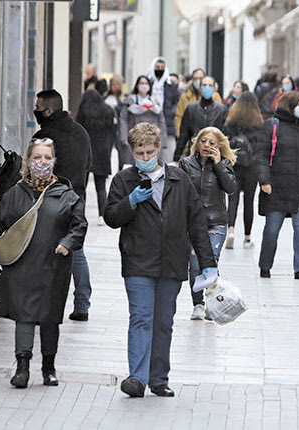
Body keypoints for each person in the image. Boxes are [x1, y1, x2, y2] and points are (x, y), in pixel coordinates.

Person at [104, 123, 216, 398]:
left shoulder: (179, 179)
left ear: (159, 149)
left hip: (171, 261)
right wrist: (130, 201)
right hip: (138, 262)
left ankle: (159, 379)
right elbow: (111, 218)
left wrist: (208, 262)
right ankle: (137, 378)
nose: (144, 158)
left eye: (149, 152)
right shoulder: (124, 181)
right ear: (131, 150)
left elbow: (197, 224)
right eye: (139, 152)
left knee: (164, 322)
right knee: (141, 318)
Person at [0, 138, 87, 388]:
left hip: (54, 266)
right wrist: (3, 252)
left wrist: (68, 242)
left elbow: (79, 225)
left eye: (47, 158)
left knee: (49, 316)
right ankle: (22, 367)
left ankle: (49, 367)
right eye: (37, 158)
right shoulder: (14, 194)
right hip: (22, 267)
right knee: (23, 315)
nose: (42, 162)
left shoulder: (66, 196)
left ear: (54, 161)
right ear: (28, 161)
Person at [32, 89, 94, 322]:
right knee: (76, 250)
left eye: (38, 108)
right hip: (75, 197)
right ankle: (82, 304)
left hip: (48, 198)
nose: (36, 111)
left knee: (45, 251)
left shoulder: (43, 137)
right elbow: (88, 163)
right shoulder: (81, 132)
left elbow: (35, 170)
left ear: (49, 110)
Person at [256, 91, 299, 280]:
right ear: (289, 106)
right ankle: (265, 265)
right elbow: (261, 155)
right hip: (276, 187)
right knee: (271, 230)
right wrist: (264, 181)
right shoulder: (271, 126)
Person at [179, 127, 237, 320]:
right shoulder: (186, 164)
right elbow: (179, 191)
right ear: (198, 142)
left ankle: (212, 304)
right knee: (195, 265)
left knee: (211, 264)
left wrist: (219, 164)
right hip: (193, 224)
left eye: (212, 143)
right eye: (204, 141)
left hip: (216, 223)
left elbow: (231, 188)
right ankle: (198, 304)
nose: (207, 146)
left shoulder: (224, 163)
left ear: (219, 146)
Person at [224, 92, 263, 250]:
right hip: (251, 167)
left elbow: (224, 142)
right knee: (249, 202)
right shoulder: (258, 124)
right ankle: (247, 238)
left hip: (234, 165)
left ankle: (231, 230)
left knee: (232, 200)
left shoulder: (231, 122)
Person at [76, 89, 116, 226]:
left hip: (85, 150)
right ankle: (102, 215)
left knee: (82, 185)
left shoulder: (83, 112)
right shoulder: (108, 111)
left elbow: (78, 129)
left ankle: (80, 213)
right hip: (103, 151)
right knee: (101, 186)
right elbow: (112, 130)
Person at [174, 76, 228, 161]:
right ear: (200, 88)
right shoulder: (191, 109)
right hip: (194, 155)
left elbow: (225, 136)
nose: (207, 87)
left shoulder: (222, 110)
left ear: (214, 88)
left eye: (210, 85)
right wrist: (176, 157)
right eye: (204, 85)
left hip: (214, 156)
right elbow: (183, 135)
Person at [148, 57, 181, 164]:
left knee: (168, 153)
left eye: (162, 67)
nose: (159, 69)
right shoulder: (148, 82)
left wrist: (171, 113)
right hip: (150, 120)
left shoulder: (170, 84)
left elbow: (176, 101)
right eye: (157, 67)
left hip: (167, 122)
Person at [120, 75, 167, 149]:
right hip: (134, 137)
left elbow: (161, 121)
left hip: (152, 138)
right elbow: (123, 119)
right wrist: (124, 137)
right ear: (137, 85)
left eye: (146, 83)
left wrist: (162, 140)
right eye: (142, 83)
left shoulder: (155, 101)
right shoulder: (130, 100)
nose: (144, 86)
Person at [175, 68, 223, 139]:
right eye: (195, 78)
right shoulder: (185, 97)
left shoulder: (215, 96)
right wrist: (181, 135)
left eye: (200, 78)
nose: (198, 81)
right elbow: (179, 117)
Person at [105, 74, 133, 171]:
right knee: (107, 147)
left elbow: (124, 112)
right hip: (108, 125)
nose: (114, 87)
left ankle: (120, 168)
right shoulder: (106, 95)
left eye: (116, 85)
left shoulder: (123, 97)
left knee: (120, 149)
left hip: (118, 126)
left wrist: (115, 108)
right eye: (112, 84)